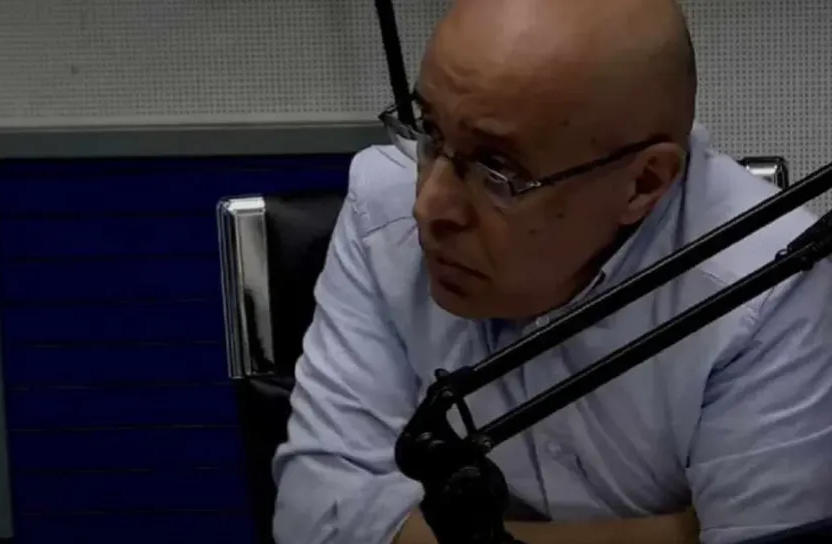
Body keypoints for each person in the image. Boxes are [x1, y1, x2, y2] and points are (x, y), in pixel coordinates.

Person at [272, 0, 832, 542]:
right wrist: (670, 534)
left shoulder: (773, 285)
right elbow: (316, 517)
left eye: (497, 170)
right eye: (430, 132)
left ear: (642, 184)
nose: (428, 207)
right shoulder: (382, 209)